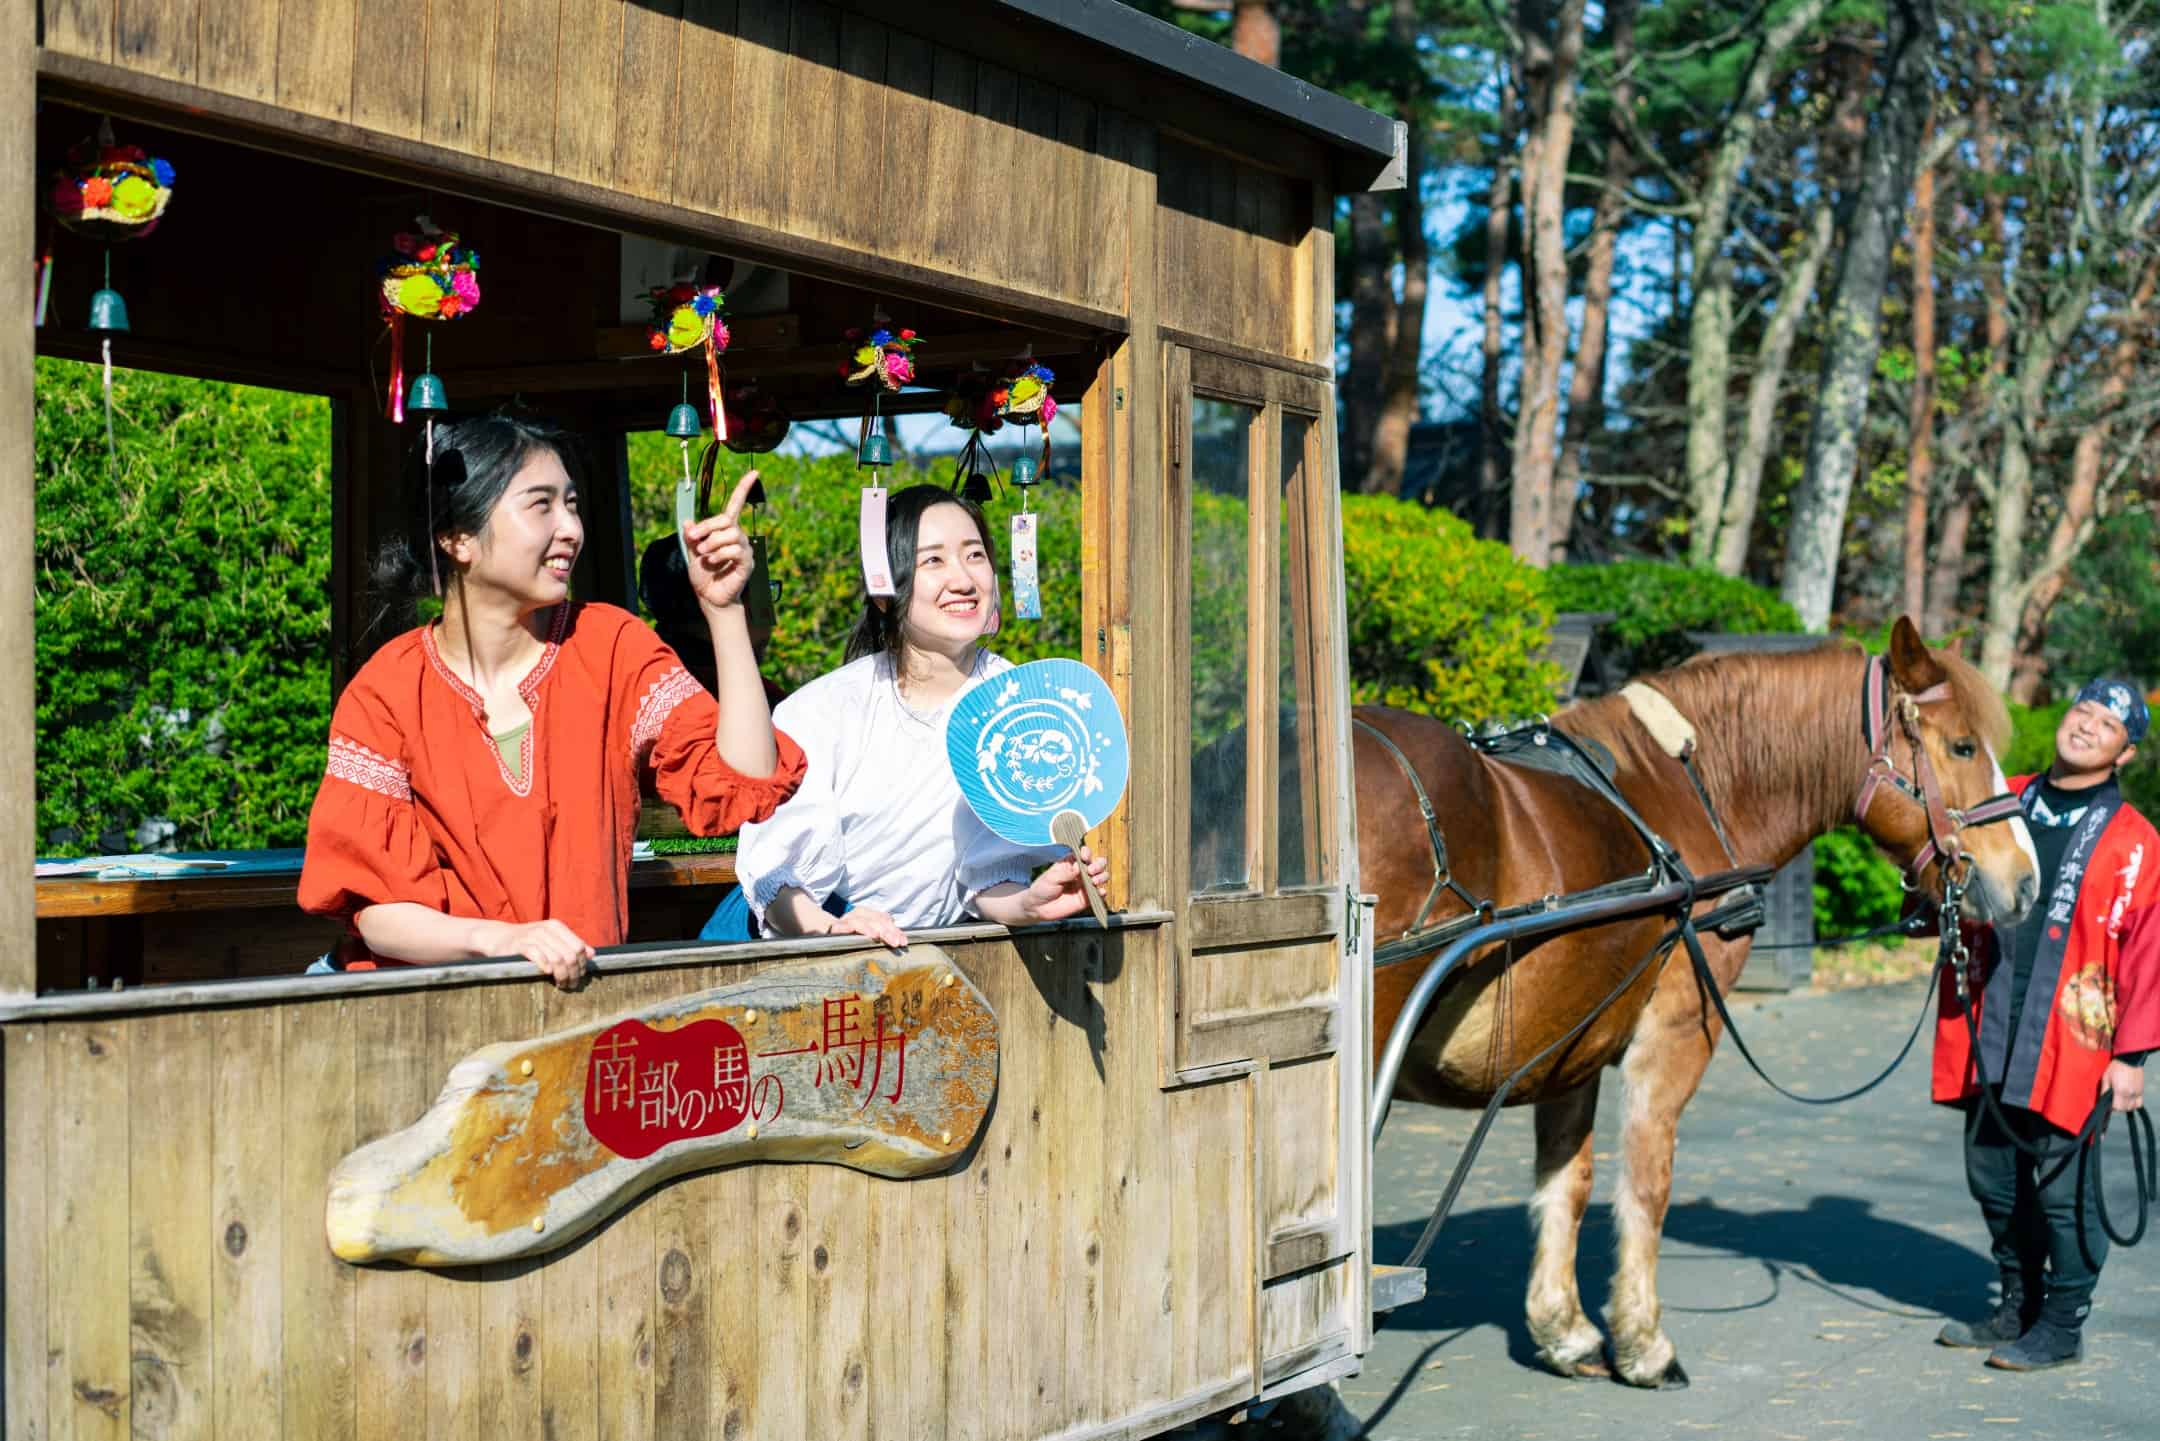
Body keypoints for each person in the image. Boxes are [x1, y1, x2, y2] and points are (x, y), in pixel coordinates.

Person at [297, 412, 805, 987]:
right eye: (541, 505)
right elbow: (378, 914)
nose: (571, 529)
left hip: (575, 1012)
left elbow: (747, 780)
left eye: (572, 503)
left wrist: (724, 611)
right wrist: (504, 941)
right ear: (457, 537)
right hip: (416, 1011)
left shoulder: (613, 648)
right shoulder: (385, 691)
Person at [735, 484, 1108, 946]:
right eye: (933, 560)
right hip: (824, 961)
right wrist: (834, 929)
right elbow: (774, 877)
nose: (963, 580)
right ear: (883, 590)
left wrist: (1029, 904)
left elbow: (987, 877)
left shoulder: (1023, 705)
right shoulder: (823, 712)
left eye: (974, 555)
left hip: (948, 966)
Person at [1931, 678, 2159, 1369]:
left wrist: (2134, 1057)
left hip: (2074, 1037)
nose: (2086, 725)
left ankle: (2062, 1321)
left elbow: (2149, 952)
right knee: (1993, 1177)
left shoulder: (2137, 842)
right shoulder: (2005, 797)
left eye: (2107, 725)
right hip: (1992, 1019)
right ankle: (2017, 1303)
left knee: (2062, 1189)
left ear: (2124, 754)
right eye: (2082, 710)